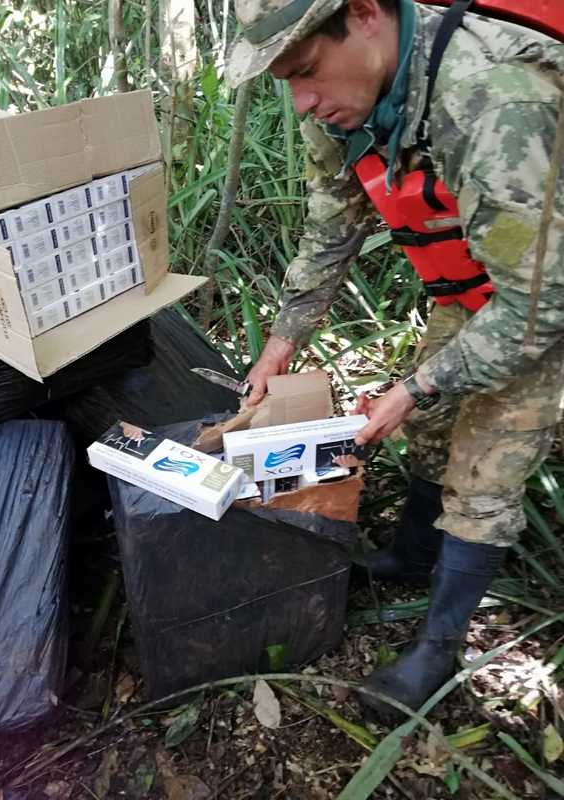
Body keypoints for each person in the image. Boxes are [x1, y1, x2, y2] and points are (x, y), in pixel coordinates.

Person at [225, 0, 564, 716]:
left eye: (309, 70)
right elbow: (331, 231)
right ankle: (412, 557)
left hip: (542, 297)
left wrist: (414, 385)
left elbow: (538, 308)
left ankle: (440, 651)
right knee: (433, 431)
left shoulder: (494, 95)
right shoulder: (339, 110)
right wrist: (280, 346)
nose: (303, 100)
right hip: (481, 284)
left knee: (484, 464)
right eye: (287, 81)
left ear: (369, 15)